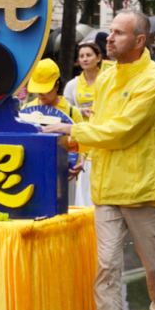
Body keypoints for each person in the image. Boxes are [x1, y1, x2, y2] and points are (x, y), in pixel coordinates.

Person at [44, 10, 155, 310]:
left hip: (143, 187)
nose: (110, 38)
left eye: (119, 33)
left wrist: (70, 132)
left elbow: (122, 131)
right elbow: (98, 126)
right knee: (106, 267)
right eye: (111, 32)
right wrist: (78, 151)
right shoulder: (105, 78)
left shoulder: (154, 81)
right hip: (105, 187)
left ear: (139, 41)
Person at [25, 59, 85, 204]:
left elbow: (84, 140)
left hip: (64, 172)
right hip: (32, 173)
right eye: (37, 89)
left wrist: (81, 159)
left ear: (57, 85)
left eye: (45, 89)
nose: (40, 94)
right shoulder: (25, 111)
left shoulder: (72, 111)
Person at [64, 41, 104, 208]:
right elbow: (65, 111)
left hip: (103, 139)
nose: (85, 59)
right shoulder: (73, 85)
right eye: (81, 56)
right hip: (83, 143)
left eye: (89, 55)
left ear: (99, 58)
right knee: (84, 193)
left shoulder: (108, 81)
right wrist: (80, 111)